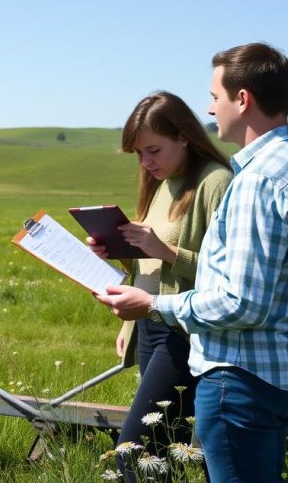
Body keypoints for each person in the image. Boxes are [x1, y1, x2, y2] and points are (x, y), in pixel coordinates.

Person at [97, 42, 288, 483]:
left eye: (215, 97)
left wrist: (151, 306)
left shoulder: (257, 181)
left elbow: (242, 302)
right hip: (280, 370)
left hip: (241, 374)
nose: (210, 110)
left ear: (242, 99)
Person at [88, 91, 231, 482]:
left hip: (183, 330)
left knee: (134, 453)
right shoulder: (158, 182)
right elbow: (147, 267)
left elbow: (231, 277)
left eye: (153, 150)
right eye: (138, 154)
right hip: (149, 324)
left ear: (184, 137)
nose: (146, 162)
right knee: (162, 453)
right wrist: (115, 254)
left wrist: (165, 250)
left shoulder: (215, 182)